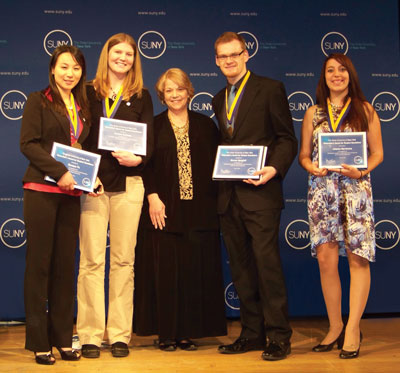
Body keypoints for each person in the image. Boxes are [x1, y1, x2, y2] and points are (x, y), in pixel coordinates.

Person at [212, 32, 298, 361]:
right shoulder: (219, 98)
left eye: (235, 54)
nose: (229, 61)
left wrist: (273, 169)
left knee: (267, 266)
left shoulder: (270, 88)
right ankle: (251, 333)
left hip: (261, 194)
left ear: (246, 54)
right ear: (216, 61)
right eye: (223, 56)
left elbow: (286, 139)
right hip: (229, 196)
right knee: (242, 269)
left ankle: (278, 336)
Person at [133, 68, 227, 351]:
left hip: (200, 212)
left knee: (193, 272)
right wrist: (152, 195)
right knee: (166, 273)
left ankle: (187, 333)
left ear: (189, 92)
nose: (175, 95)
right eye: (168, 91)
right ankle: (165, 333)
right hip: (163, 210)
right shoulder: (153, 125)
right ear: (162, 96)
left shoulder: (206, 126)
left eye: (179, 89)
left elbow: (218, 165)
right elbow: (143, 165)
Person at [299, 53, 383, 359]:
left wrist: (360, 171)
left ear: (351, 75)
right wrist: (311, 167)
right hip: (323, 192)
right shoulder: (313, 113)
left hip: (356, 192)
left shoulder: (365, 109)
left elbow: (378, 154)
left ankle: (352, 329)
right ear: (324, 77)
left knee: (358, 259)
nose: (337, 74)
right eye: (331, 70)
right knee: (326, 260)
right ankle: (335, 326)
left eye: (342, 69)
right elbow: (304, 154)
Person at [20, 45, 99, 365]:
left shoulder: (82, 106)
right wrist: (61, 172)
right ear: (53, 69)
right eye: (64, 67)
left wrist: (88, 178)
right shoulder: (38, 100)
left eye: (77, 68)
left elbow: (80, 148)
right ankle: (40, 342)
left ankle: (64, 339)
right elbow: (28, 144)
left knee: (66, 268)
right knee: (40, 266)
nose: (70, 73)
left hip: (70, 194)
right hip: (41, 189)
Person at [76, 33, 153, 358]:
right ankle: (90, 334)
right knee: (91, 261)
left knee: (124, 261)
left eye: (128, 53)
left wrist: (139, 159)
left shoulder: (143, 96)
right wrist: (83, 175)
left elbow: (149, 141)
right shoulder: (88, 92)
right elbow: (75, 136)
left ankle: (120, 334)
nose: (122, 57)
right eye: (116, 51)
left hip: (130, 183)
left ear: (135, 59)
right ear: (106, 54)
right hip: (94, 184)